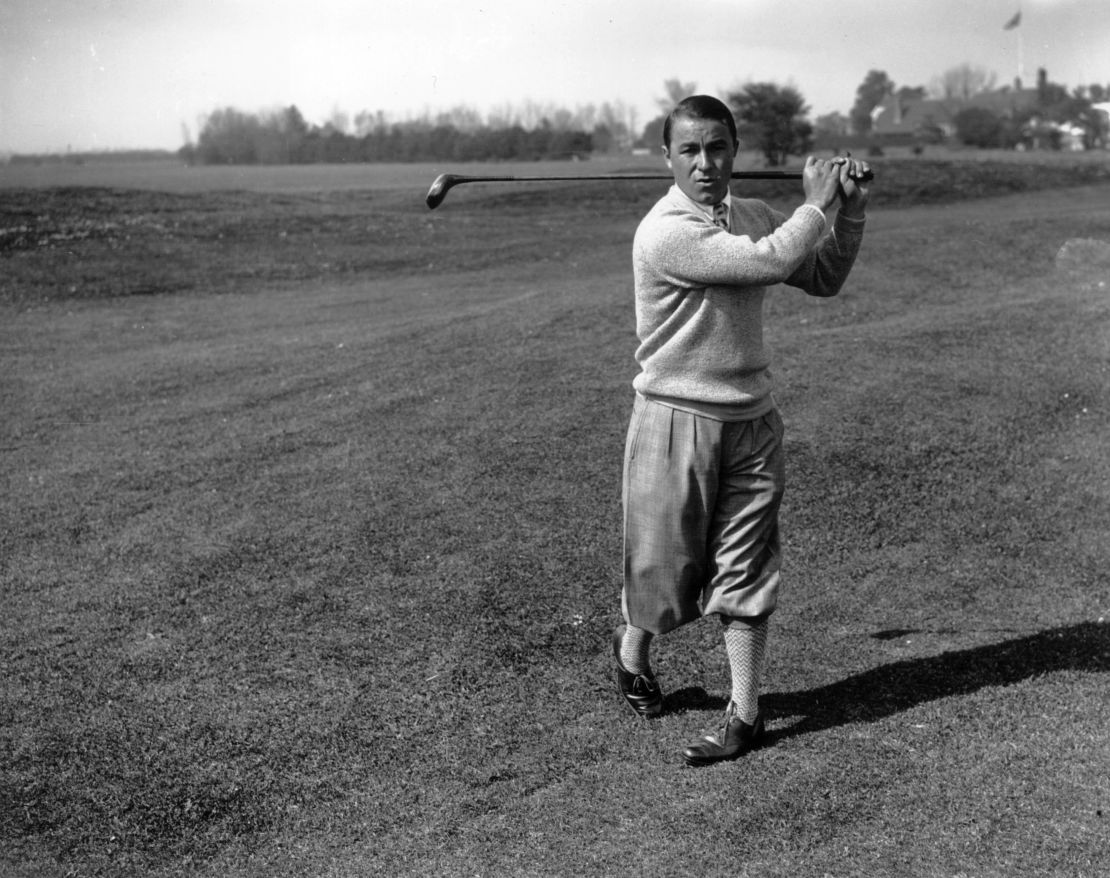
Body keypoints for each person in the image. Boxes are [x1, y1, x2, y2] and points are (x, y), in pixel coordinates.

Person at [612, 95, 870, 767]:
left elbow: (820, 274)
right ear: (667, 158)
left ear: (735, 152)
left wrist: (851, 207)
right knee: (665, 574)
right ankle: (632, 652)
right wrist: (816, 204)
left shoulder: (751, 215)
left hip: (751, 421)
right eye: (689, 150)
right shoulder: (664, 231)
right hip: (674, 420)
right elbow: (768, 262)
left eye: (718, 148)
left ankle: (745, 713)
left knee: (747, 571)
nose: (705, 163)